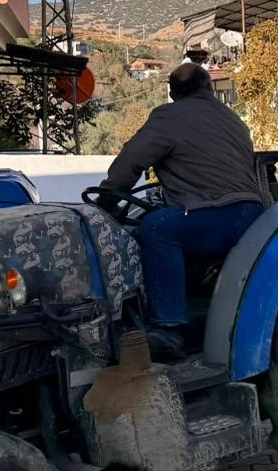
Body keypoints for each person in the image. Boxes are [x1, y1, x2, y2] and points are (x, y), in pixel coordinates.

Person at [102, 61, 269, 358]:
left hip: (220, 214)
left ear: (173, 93)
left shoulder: (169, 117)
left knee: (156, 228)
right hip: (251, 213)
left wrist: (106, 199)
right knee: (170, 222)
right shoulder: (233, 119)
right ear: (208, 88)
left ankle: (168, 328)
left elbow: (131, 162)